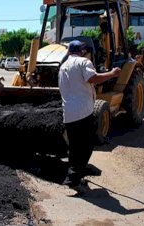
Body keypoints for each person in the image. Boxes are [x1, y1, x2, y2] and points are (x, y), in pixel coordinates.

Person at [58, 40, 121, 190]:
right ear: (82, 50)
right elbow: (92, 79)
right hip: (83, 111)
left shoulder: (63, 66)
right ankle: (74, 177)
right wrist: (112, 73)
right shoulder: (83, 62)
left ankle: (74, 176)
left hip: (68, 112)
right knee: (86, 145)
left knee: (74, 147)